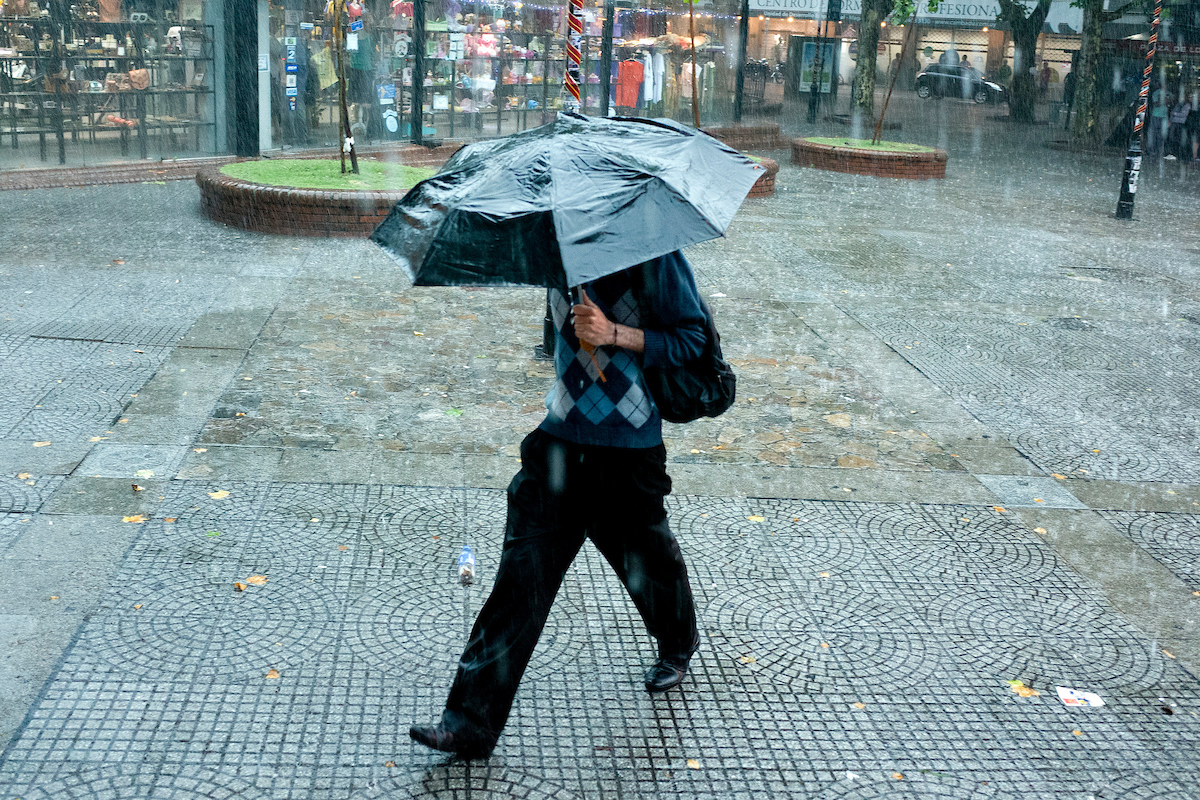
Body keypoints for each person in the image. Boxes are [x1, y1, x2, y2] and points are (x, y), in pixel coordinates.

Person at [410, 251, 708, 759]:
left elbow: (692, 340)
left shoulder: (654, 255)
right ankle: (470, 724)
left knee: (649, 563)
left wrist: (615, 334)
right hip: (557, 450)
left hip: (629, 454)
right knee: (519, 583)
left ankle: (678, 641)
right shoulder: (560, 252)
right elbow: (558, 343)